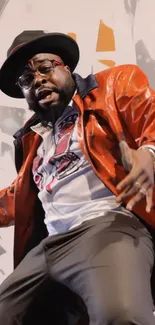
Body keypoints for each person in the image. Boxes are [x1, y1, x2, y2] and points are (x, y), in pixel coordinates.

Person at [0, 30, 155, 325]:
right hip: (48, 248)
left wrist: (149, 153)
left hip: (107, 225)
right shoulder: (34, 140)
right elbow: (15, 196)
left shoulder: (114, 85)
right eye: (26, 79)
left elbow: (150, 114)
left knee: (120, 317)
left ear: (66, 69)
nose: (38, 80)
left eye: (45, 68)